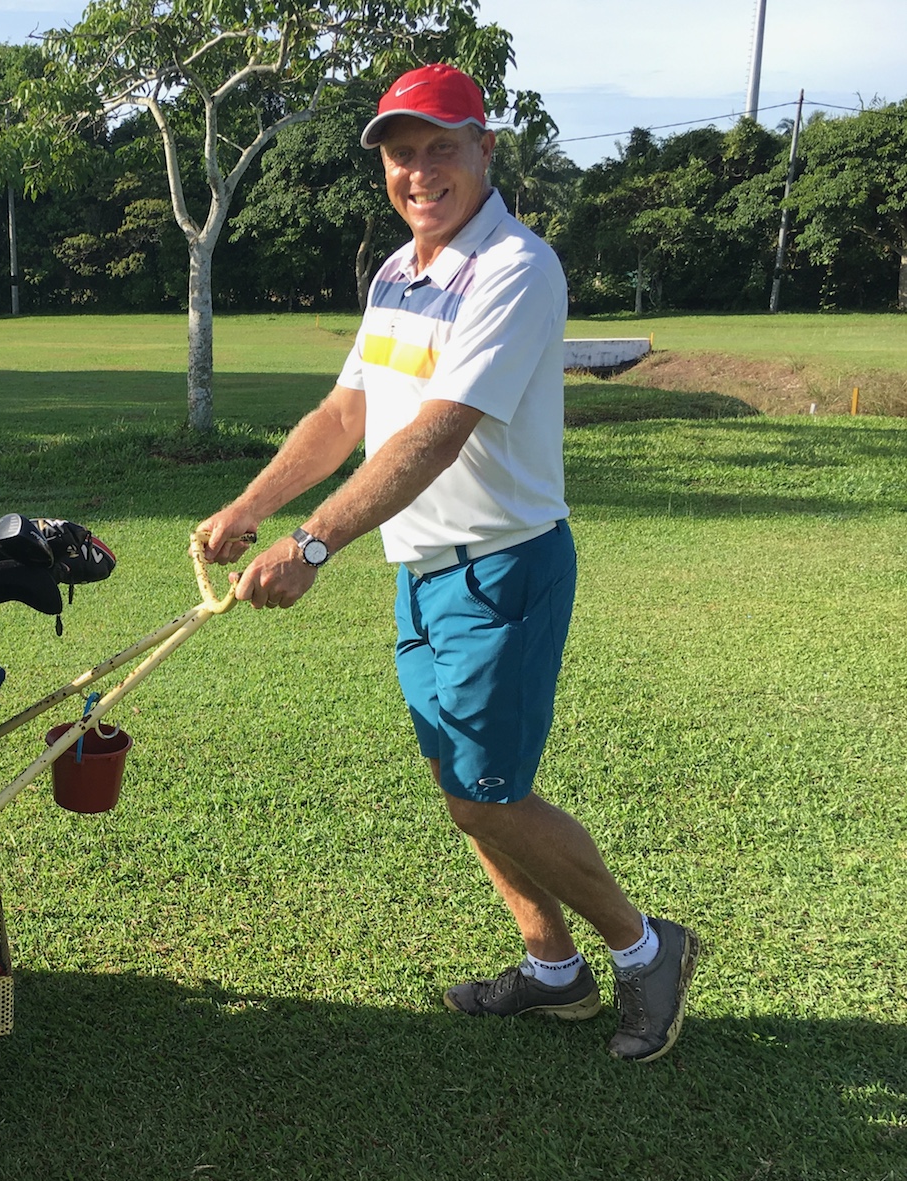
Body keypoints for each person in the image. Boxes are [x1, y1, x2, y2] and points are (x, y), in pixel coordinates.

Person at [197, 63, 700, 1062]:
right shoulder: (398, 270)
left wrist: (313, 541)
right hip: (424, 572)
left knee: (485, 793)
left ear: (485, 149)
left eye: (440, 147)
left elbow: (438, 431)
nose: (418, 170)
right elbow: (347, 412)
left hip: (501, 569)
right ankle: (552, 969)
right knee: (458, 780)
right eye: (400, 153)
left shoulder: (514, 267)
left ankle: (648, 950)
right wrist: (252, 507)